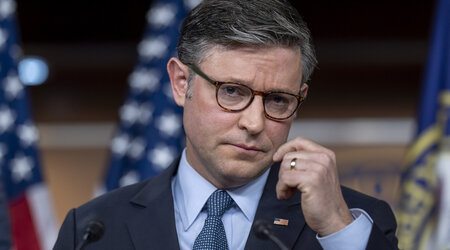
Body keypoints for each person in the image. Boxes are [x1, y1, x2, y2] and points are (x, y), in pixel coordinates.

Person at [54, 0, 398, 249]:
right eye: (232, 91)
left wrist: (336, 229)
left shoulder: (355, 224)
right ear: (180, 83)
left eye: (278, 100)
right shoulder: (92, 230)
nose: (254, 122)